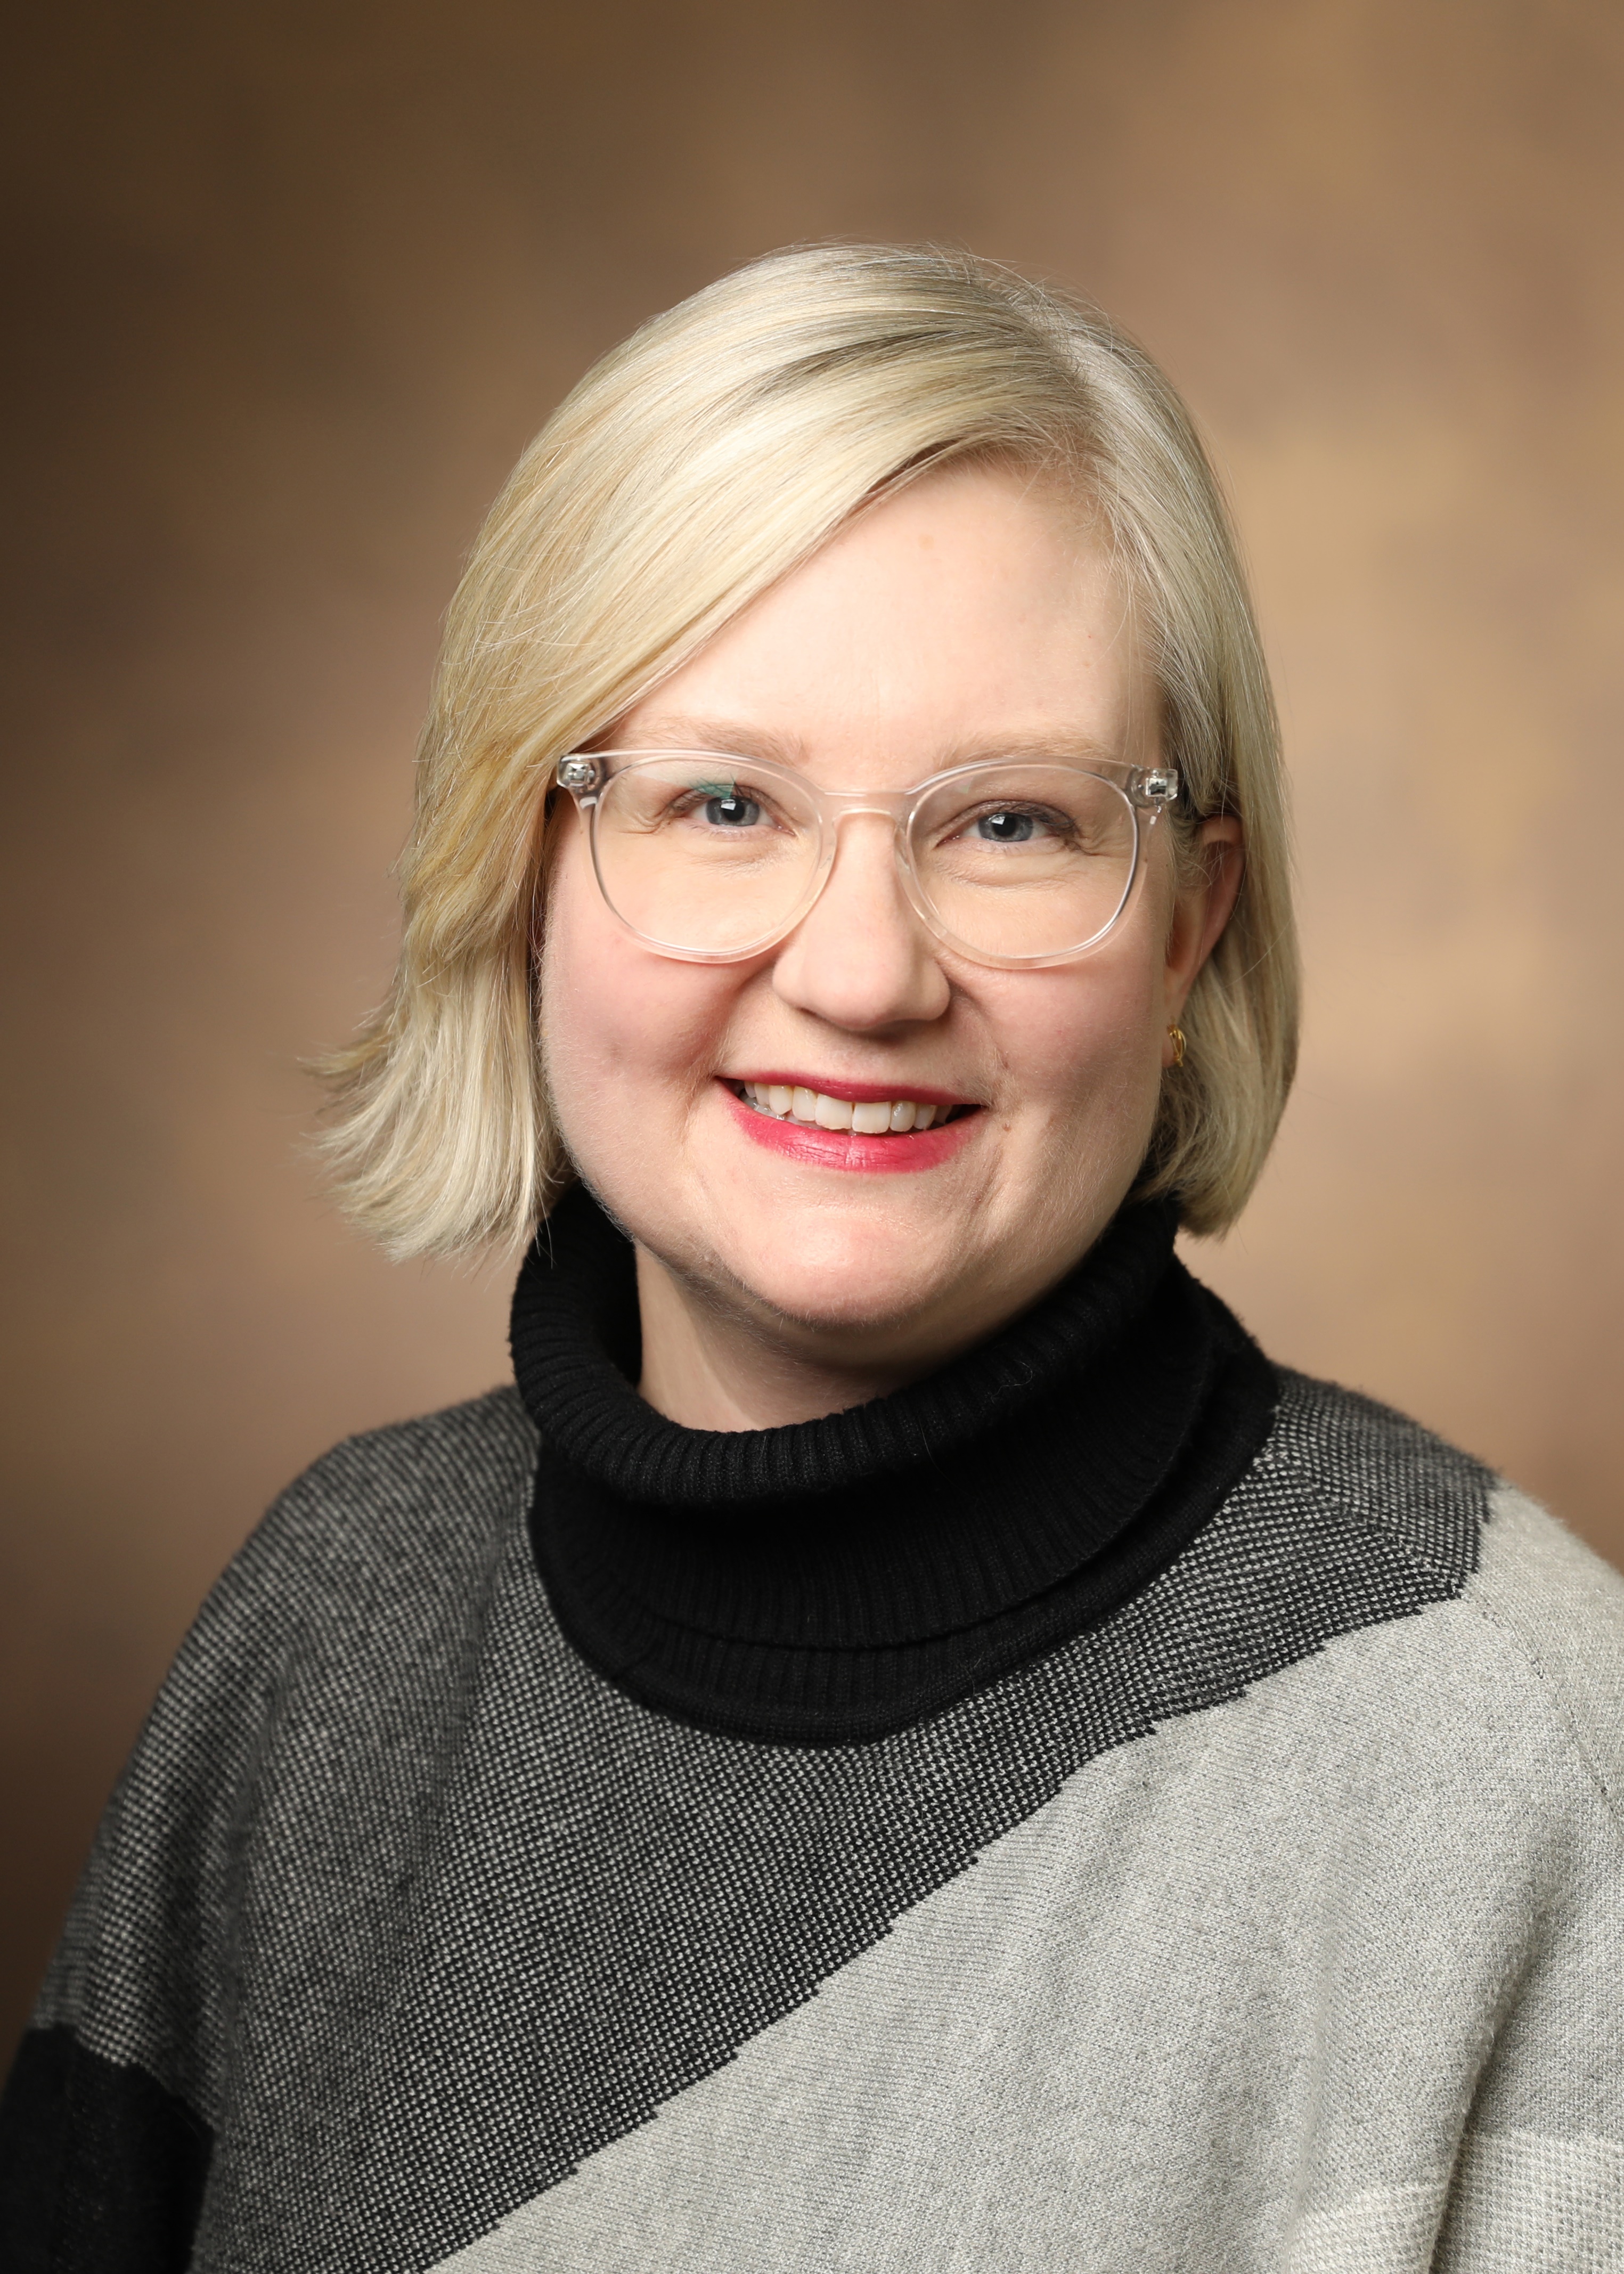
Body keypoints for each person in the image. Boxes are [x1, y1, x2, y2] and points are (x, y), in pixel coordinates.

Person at [3, 244, 1620, 2274]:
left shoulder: (1520, 1759)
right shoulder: (327, 1634)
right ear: (523, 873)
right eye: (719, 802)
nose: (860, 974)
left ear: (1189, 924)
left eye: (1011, 823)